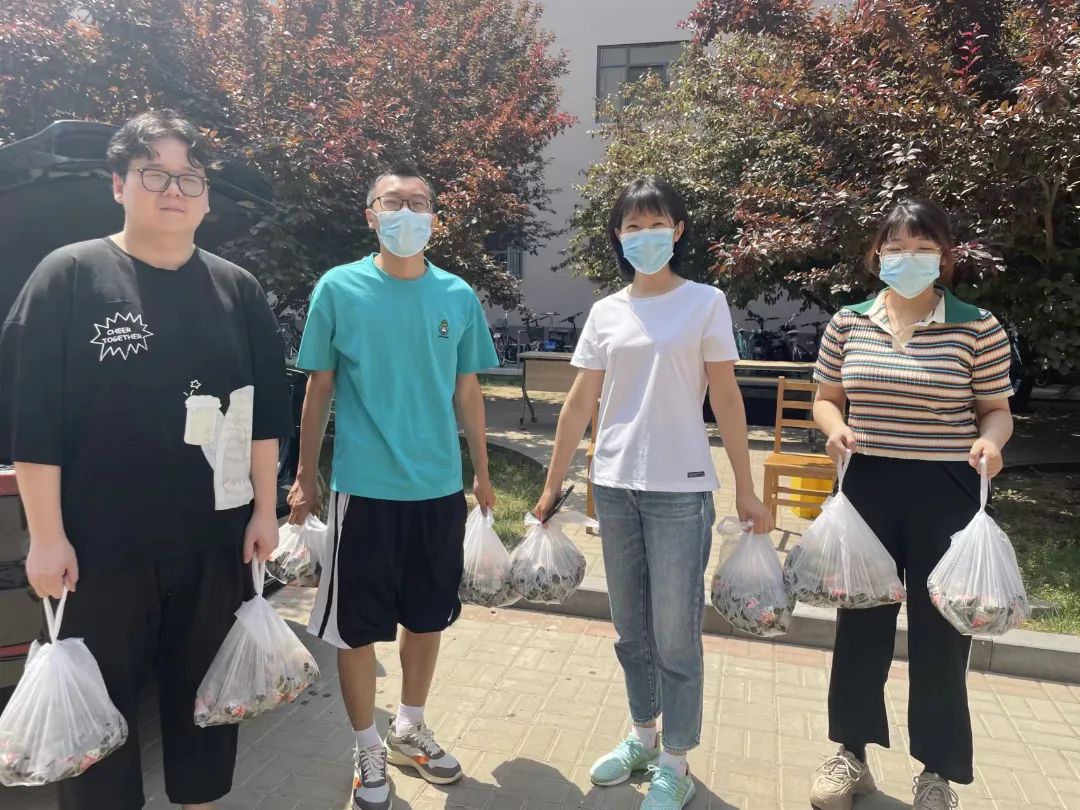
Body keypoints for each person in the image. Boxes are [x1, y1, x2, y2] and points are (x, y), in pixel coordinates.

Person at [0, 111, 291, 810]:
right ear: (118, 185)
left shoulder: (237, 289)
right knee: (98, 725)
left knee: (207, 711)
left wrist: (264, 510)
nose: (173, 190)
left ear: (206, 196)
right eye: (153, 174)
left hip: (213, 542)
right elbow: (34, 424)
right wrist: (46, 537)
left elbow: (262, 415)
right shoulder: (69, 276)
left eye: (189, 177)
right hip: (98, 551)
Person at [533, 178, 773, 810]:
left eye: (656, 224)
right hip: (614, 487)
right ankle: (643, 736)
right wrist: (552, 485)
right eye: (632, 226)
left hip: (680, 492)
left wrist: (746, 489)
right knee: (629, 630)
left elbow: (726, 398)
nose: (645, 236)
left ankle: (676, 760)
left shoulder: (705, 302)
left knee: (675, 636)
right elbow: (579, 402)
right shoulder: (607, 311)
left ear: (678, 230)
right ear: (618, 237)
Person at [287, 166, 498, 810]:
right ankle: (366, 747)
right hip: (364, 491)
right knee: (357, 629)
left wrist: (483, 473)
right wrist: (304, 477)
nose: (408, 212)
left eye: (420, 202)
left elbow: (467, 389)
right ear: (371, 215)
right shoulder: (339, 288)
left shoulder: (457, 295)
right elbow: (319, 387)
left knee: (427, 617)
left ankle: (409, 727)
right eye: (394, 202)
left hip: (437, 489)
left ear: (434, 216)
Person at [809, 199, 1014, 810]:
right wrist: (833, 428)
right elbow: (827, 397)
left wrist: (991, 442)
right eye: (896, 247)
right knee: (859, 625)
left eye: (924, 248)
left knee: (942, 634)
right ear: (877, 254)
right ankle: (850, 755)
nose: (909, 259)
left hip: (946, 492)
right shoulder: (848, 322)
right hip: (867, 488)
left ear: (945, 256)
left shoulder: (977, 326)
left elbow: (996, 410)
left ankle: (936, 774)